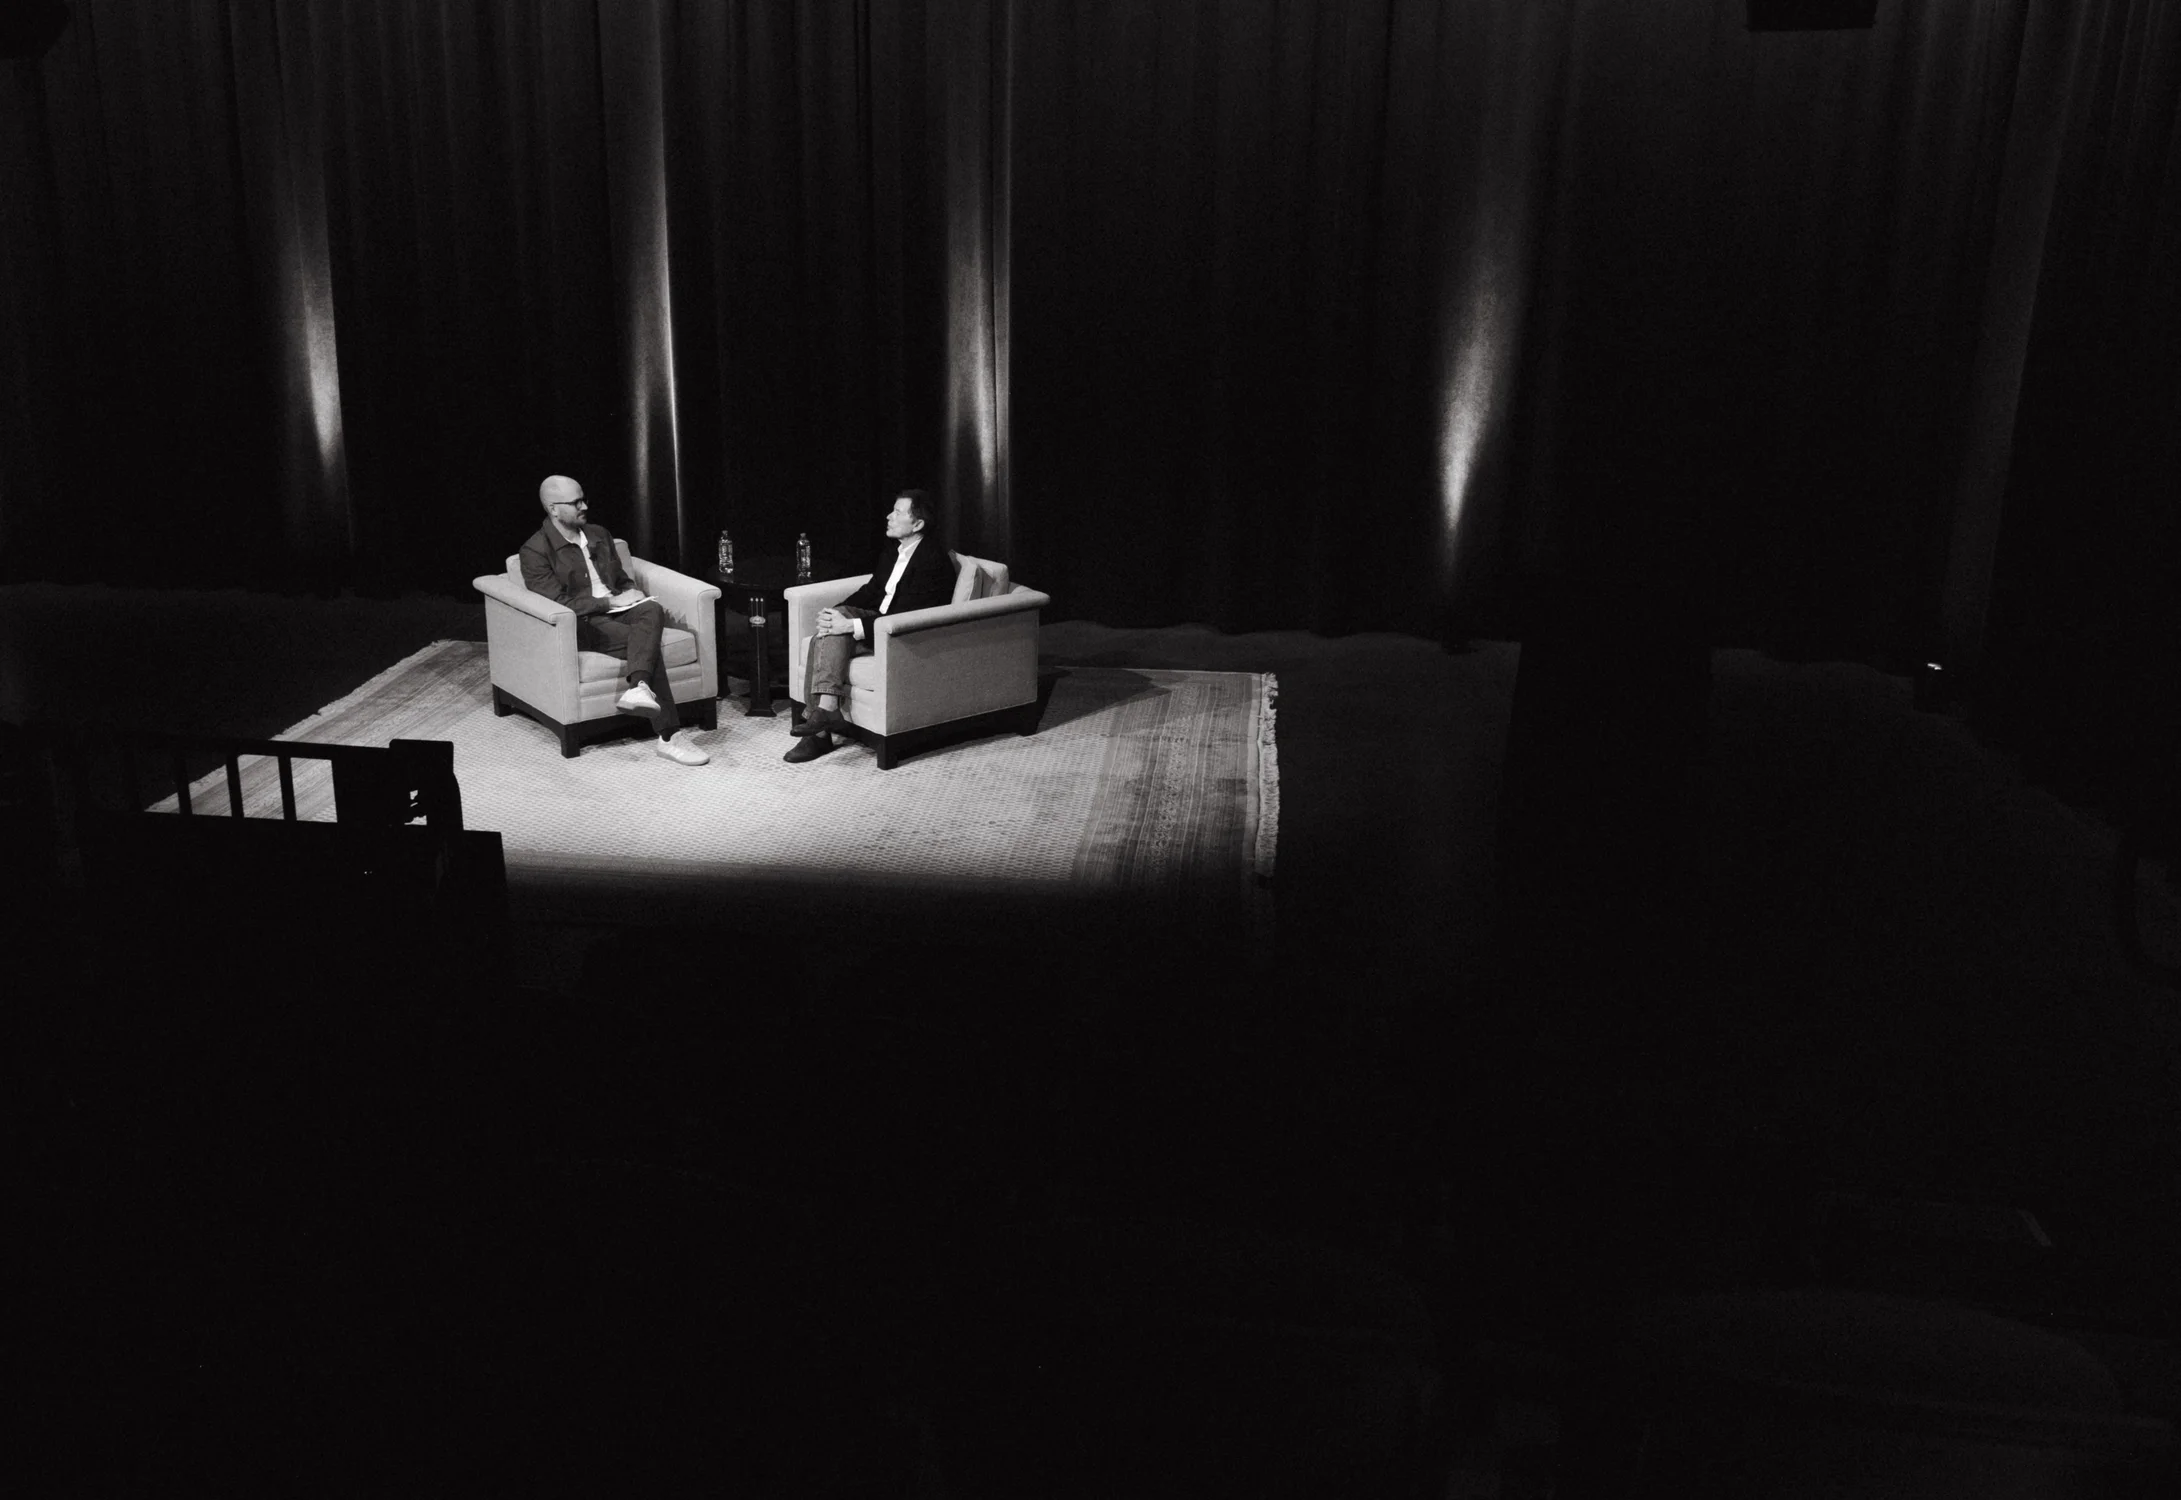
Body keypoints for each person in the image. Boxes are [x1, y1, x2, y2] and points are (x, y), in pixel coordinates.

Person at [520, 474, 709, 766]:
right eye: (575, 502)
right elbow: (557, 604)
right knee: (645, 643)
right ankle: (670, 737)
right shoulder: (535, 550)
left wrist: (629, 592)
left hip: (618, 609)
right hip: (581, 621)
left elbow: (620, 579)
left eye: (584, 498)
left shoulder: (599, 534)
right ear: (553, 509)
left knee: (652, 610)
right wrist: (608, 601)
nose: (584, 506)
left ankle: (639, 688)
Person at [785, 488, 958, 763]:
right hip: (877, 620)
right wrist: (836, 614)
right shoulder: (894, 551)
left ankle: (818, 733)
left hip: (899, 635)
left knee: (825, 637)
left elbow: (904, 615)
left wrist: (850, 625)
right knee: (828, 628)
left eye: (898, 512)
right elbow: (871, 590)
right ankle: (826, 714)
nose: (889, 516)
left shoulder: (932, 561)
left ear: (918, 524)